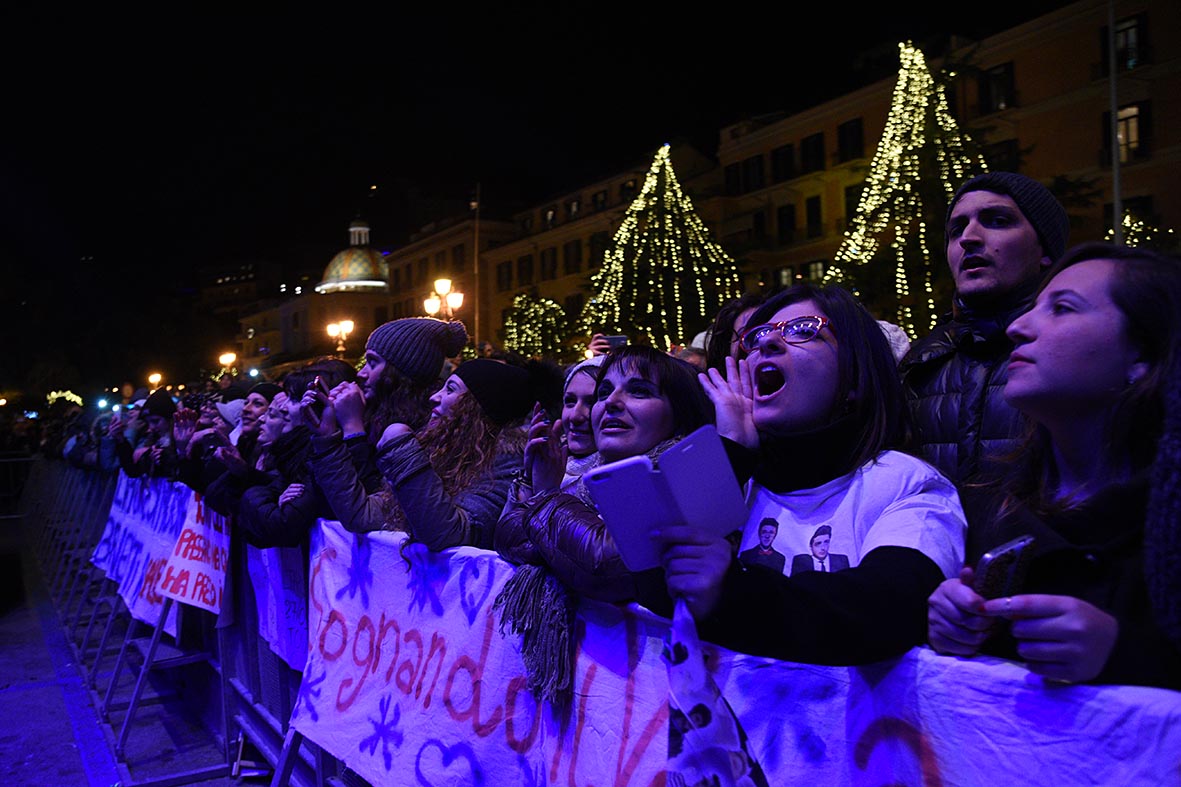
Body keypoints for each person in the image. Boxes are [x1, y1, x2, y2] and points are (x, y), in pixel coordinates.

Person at [648, 283, 966, 665]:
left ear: (854, 378)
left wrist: (732, 592)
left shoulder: (907, 485)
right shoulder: (735, 475)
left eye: (803, 329)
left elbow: (887, 608)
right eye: (759, 337)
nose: (767, 344)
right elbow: (648, 580)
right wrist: (731, 451)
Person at [926, 242, 1181, 690]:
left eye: (1062, 309)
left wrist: (1126, 653)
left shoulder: (1167, 522)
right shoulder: (990, 503)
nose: (1018, 328)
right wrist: (956, 624)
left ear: (1143, 355)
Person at [495, 345, 714, 602]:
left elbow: (604, 566)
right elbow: (507, 537)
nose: (610, 402)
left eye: (639, 391)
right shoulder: (592, 478)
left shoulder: (689, 474)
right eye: (604, 392)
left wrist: (546, 496)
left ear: (680, 413)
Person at [899, 172, 1070, 485]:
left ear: (1045, 249)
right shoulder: (918, 364)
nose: (968, 237)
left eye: (997, 220)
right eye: (956, 229)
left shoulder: (1075, 351)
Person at [307, 355, 535, 550]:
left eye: (451, 389)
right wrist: (326, 438)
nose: (434, 397)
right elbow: (362, 515)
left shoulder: (507, 463)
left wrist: (399, 444)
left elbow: (449, 536)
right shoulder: (448, 454)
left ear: (476, 408)